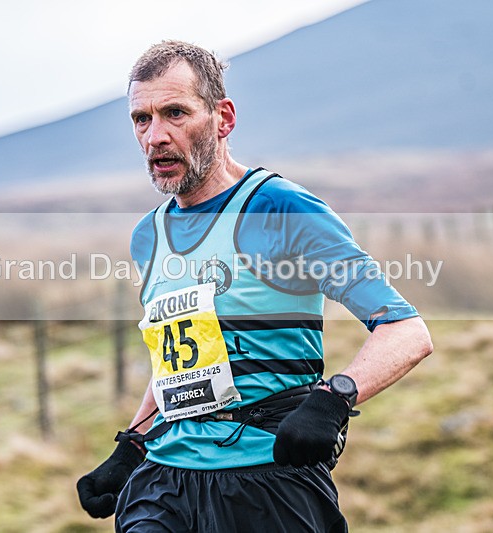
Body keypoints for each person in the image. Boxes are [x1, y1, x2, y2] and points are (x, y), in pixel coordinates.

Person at [77, 40, 433, 532]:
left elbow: (406, 330)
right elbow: (180, 360)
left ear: (223, 118)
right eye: (142, 119)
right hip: (165, 482)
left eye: (175, 113)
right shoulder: (148, 235)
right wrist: (133, 445)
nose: (155, 136)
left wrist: (333, 400)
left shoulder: (282, 209)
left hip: (267, 481)